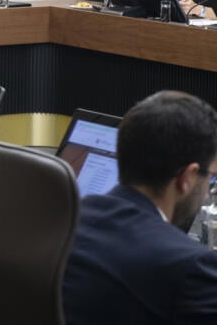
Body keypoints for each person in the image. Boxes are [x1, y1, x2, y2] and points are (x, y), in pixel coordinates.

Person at [62, 90, 217, 324]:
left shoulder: (62, 223)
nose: (206, 193)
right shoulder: (191, 267)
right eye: (210, 177)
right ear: (188, 177)